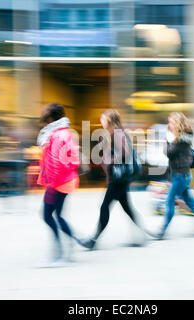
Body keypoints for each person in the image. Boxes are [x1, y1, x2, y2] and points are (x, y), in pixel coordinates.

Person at [81, 109, 147, 250]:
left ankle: (93, 240)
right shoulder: (115, 134)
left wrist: (110, 160)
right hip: (119, 179)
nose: (101, 121)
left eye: (103, 119)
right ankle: (142, 235)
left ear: (109, 121)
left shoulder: (117, 134)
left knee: (105, 207)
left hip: (118, 179)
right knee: (127, 208)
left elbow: (125, 152)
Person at [37, 103, 81, 265]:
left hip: (59, 182)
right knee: (57, 216)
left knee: (47, 215)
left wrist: (51, 185)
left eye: (45, 117)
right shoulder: (64, 132)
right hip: (65, 180)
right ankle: (67, 247)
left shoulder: (56, 135)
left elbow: (56, 162)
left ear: (50, 118)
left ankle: (59, 253)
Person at [156, 112, 194, 239]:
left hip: (180, 176)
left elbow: (169, 153)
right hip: (181, 175)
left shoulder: (182, 138)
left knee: (169, 201)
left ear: (177, 123)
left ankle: (162, 231)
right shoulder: (182, 137)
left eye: (171, 122)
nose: (169, 125)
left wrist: (166, 142)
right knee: (191, 202)